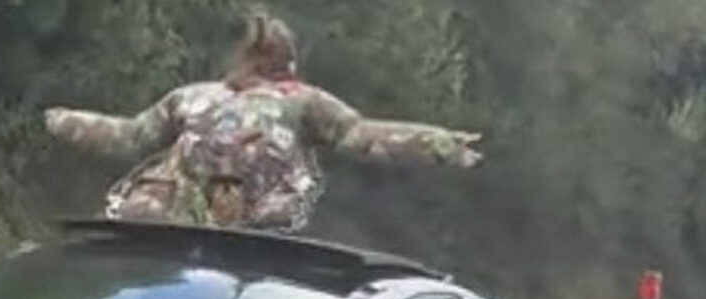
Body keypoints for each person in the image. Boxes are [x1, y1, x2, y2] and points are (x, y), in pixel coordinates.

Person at [44, 9, 483, 233]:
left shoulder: (192, 97)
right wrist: (439, 144)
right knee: (288, 193)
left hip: (174, 213)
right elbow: (363, 137)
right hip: (262, 215)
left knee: (156, 187)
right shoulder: (302, 101)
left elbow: (126, 136)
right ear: (288, 64)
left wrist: (60, 120)